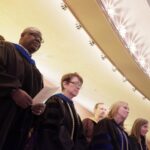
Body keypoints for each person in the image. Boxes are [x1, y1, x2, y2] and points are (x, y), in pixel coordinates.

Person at [0, 27, 44, 150]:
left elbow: (35, 98)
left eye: (40, 40)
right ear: (22, 36)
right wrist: (13, 90)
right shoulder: (6, 48)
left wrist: (37, 108)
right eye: (34, 35)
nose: (38, 40)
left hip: (20, 127)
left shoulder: (37, 73)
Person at [24, 72, 88, 150]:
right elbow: (48, 130)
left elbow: (79, 135)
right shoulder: (55, 101)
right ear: (65, 84)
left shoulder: (75, 114)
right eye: (76, 84)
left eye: (80, 86)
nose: (78, 87)